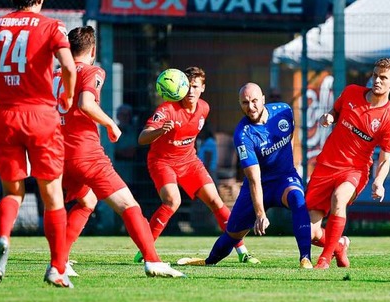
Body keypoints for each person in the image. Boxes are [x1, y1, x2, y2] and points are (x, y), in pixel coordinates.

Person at [56, 26, 184, 279]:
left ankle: (61, 261)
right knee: (129, 205)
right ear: (92, 50)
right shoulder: (93, 70)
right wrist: (110, 124)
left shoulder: (55, 75)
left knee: (87, 201)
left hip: (58, 153)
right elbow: (86, 103)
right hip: (86, 153)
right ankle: (153, 261)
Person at [0, 0, 79, 287]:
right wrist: (68, 96)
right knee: (52, 193)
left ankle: (3, 237)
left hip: (5, 115)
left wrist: (7, 90)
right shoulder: (51, 26)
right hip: (41, 115)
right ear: (40, 1)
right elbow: (68, 67)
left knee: (12, 191)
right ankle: (57, 268)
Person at [177, 82, 312, 268]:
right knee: (232, 234)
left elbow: (290, 137)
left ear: (263, 99)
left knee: (299, 200)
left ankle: (306, 258)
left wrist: (290, 165)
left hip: (284, 179)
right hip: (257, 187)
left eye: (255, 101)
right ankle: (208, 261)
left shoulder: (284, 111)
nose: (251, 107)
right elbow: (254, 179)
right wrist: (260, 214)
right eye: (245, 103)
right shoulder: (243, 134)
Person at [138, 67, 258, 264]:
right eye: (187, 86)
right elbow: (142, 138)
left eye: (195, 86)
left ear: (203, 88)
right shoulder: (166, 109)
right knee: (172, 201)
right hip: (163, 162)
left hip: (189, 161)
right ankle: (146, 249)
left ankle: (243, 252)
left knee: (215, 201)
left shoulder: (204, 108)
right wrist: (159, 131)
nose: (191, 91)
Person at [306, 58, 390, 269]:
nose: (377, 80)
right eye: (375, 75)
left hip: (355, 170)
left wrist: (379, 181)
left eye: (383, 77)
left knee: (339, 199)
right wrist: (329, 117)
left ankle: (324, 259)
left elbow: (385, 158)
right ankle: (339, 246)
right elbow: (336, 111)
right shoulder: (351, 92)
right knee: (310, 232)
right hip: (326, 165)